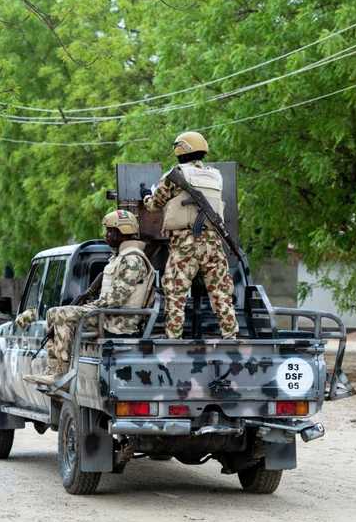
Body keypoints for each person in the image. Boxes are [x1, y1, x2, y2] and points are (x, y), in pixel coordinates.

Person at [15, 210, 155, 385]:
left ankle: (60, 373)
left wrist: (88, 306)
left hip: (120, 322)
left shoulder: (132, 260)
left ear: (121, 232)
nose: (106, 236)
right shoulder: (120, 258)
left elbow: (116, 299)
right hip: (110, 316)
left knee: (62, 314)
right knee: (53, 313)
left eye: (110, 231)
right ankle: (53, 370)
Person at [143, 131, 238, 339]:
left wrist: (146, 197)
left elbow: (155, 204)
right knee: (221, 292)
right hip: (214, 241)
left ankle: (173, 339)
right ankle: (231, 336)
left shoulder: (174, 175)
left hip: (185, 242)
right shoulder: (216, 176)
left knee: (175, 293)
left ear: (180, 150)